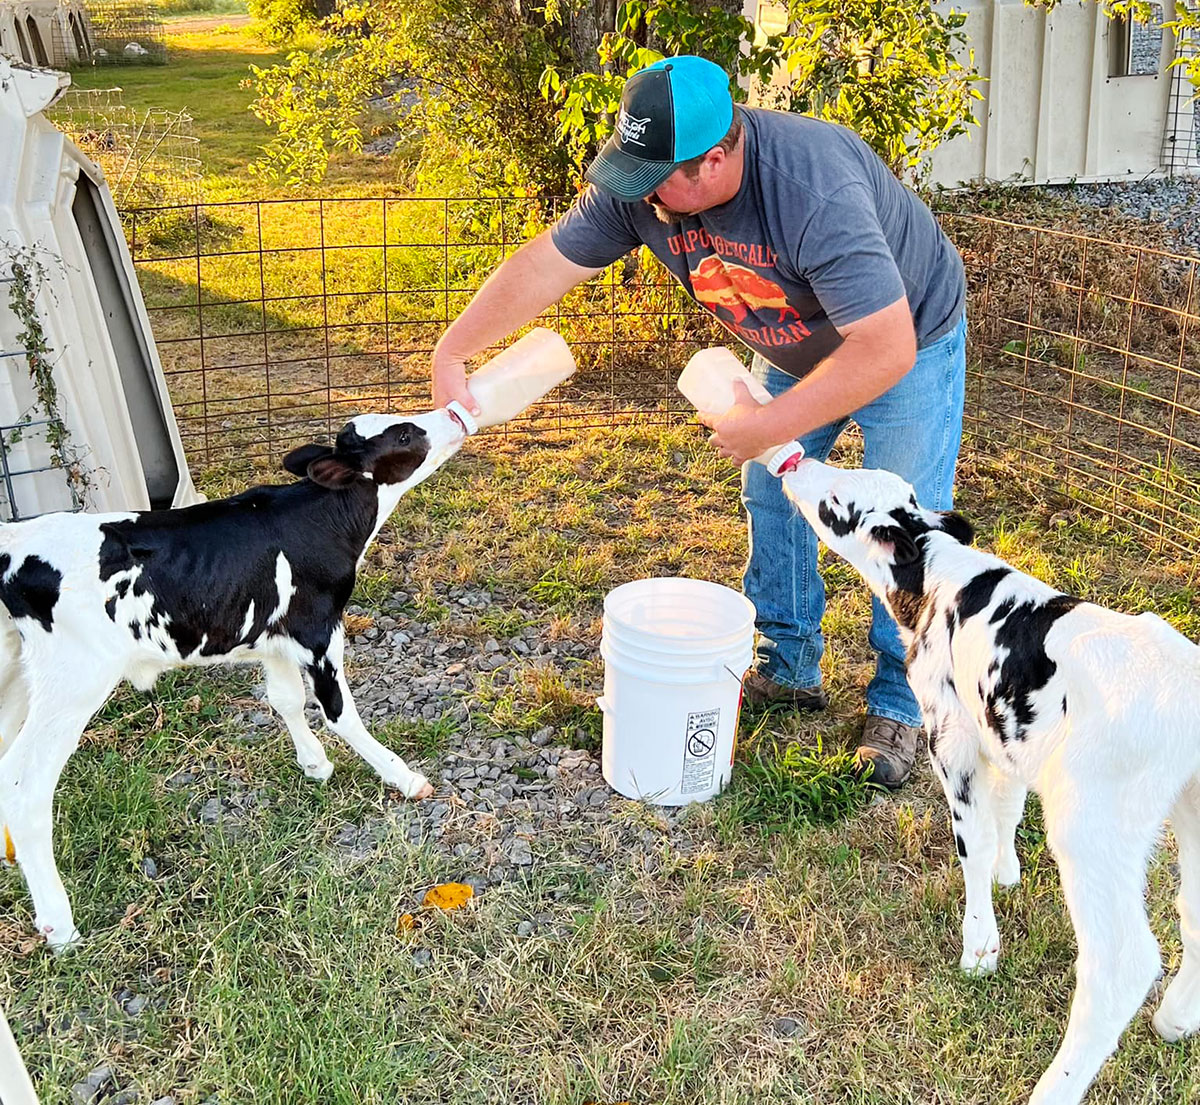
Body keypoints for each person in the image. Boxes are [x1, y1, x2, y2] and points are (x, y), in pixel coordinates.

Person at [432, 55, 967, 789]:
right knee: (770, 491)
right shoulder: (642, 185)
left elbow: (885, 346)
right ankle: (788, 662)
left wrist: (769, 420)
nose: (638, 194)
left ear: (716, 158)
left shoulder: (810, 186)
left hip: (905, 339)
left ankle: (902, 704)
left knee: (903, 524)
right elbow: (545, 264)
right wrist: (455, 346)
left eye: (655, 178)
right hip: (791, 339)